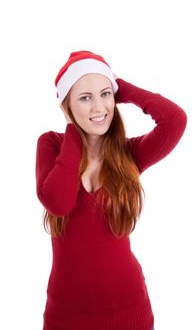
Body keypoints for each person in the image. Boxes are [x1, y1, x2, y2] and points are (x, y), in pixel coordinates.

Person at [35, 50, 187, 330]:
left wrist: (121, 89)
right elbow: (58, 202)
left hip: (130, 310)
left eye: (105, 94)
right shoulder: (52, 145)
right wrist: (73, 132)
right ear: (66, 105)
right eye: (84, 97)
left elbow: (175, 120)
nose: (99, 107)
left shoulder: (128, 153)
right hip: (66, 315)